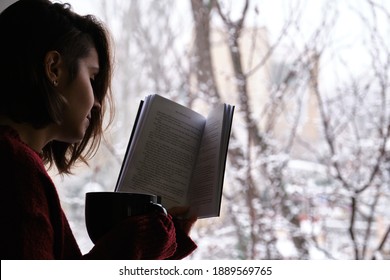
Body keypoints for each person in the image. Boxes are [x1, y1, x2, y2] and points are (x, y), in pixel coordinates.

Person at [0, 0, 197, 259]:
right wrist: (134, 241)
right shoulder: (16, 170)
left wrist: (162, 243)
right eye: (92, 78)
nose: (97, 101)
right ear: (54, 69)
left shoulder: (18, 163)